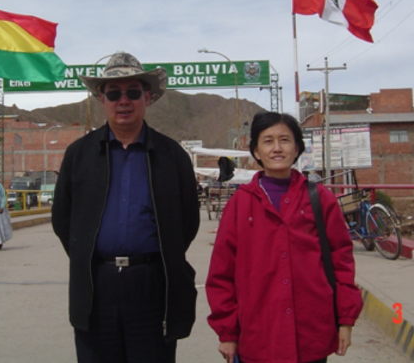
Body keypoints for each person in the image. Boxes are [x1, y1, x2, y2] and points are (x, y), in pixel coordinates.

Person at [52, 52, 200, 363]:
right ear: (101, 99)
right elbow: (62, 218)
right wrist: (87, 256)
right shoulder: (78, 154)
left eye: (133, 92)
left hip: (153, 286)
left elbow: (187, 221)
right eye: (113, 93)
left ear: (147, 97)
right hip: (96, 286)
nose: (123, 101)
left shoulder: (172, 156)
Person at [206, 112, 363, 363]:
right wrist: (227, 333)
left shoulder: (321, 199)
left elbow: (342, 263)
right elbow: (221, 273)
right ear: (256, 151)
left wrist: (345, 320)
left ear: (297, 148)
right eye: (268, 141)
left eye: (285, 140)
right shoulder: (240, 204)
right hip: (258, 337)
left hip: (311, 335)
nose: (277, 148)